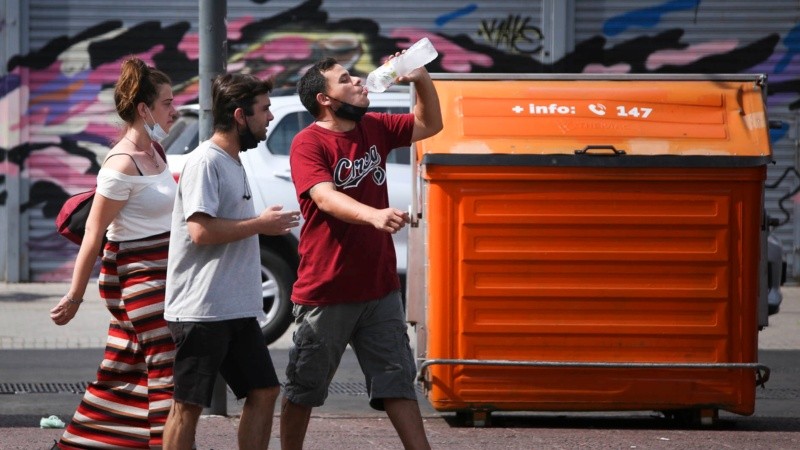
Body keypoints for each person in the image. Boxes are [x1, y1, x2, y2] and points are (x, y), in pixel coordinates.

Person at [280, 55, 443, 449]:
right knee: (304, 389)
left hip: (379, 288)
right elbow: (324, 197)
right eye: (345, 80)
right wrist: (373, 215)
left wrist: (420, 79)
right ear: (325, 99)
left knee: (397, 382)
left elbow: (430, 124)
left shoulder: (375, 126)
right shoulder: (307, 143)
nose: (358, 81)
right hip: (327, 289)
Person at [162, 73, 300, 450]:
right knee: (188, 406)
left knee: (264, 391)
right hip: (201, 310)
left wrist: (261, 225)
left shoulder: (234, 161)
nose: (270, 117)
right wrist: (260, 224)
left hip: (236, 309)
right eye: (264, 109)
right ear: (240, 115)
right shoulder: (206, 161)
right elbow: (200, 231)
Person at [49, 56, 178, 449]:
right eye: (167, 103)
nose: (174, 110)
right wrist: (74, 296)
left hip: (162, 274)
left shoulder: (155, 151)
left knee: (123, 369)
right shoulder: (120, 164)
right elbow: (94, 232)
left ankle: (80, 443)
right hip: (136, 276)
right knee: (166, 369)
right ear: (143, 109)